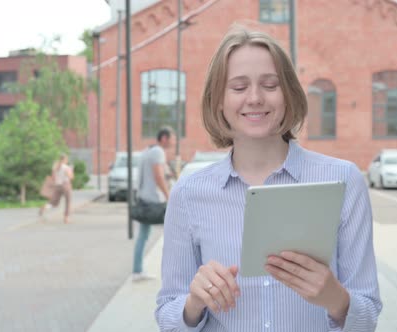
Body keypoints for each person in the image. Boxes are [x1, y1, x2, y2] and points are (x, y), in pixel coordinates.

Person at [156, 27, 382, 331]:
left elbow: (367, 317)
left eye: (270, 84)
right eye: (238, 87)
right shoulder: (189, 193)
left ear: (288, 93)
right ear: (218, 101)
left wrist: (335, 298)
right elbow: (168, 315)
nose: (255, 98)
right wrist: (194, 302)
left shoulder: (344, 181)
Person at [132, 126, 175, 282]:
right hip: (154, 201)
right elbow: (158, 176)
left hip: (144, 198)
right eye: (172, 138)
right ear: (164, 138)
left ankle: (137, 270)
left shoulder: (147, 152)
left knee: (143, 236)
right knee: (174, 232)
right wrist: (169, 195)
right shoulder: (158, 152)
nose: (173, 141)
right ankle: (173, 272)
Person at [39, 154, 74, 224]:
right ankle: (66, 218)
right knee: (68, 202)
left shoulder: (55, 166)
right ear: (65, 160)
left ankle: (44, 207)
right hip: (65, 185)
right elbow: (71, 177)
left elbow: (53, 177)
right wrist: (72, 171)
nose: (67, 161)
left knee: (54, 202)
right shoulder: (66, 167)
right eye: (66, 159)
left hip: (57, 185)